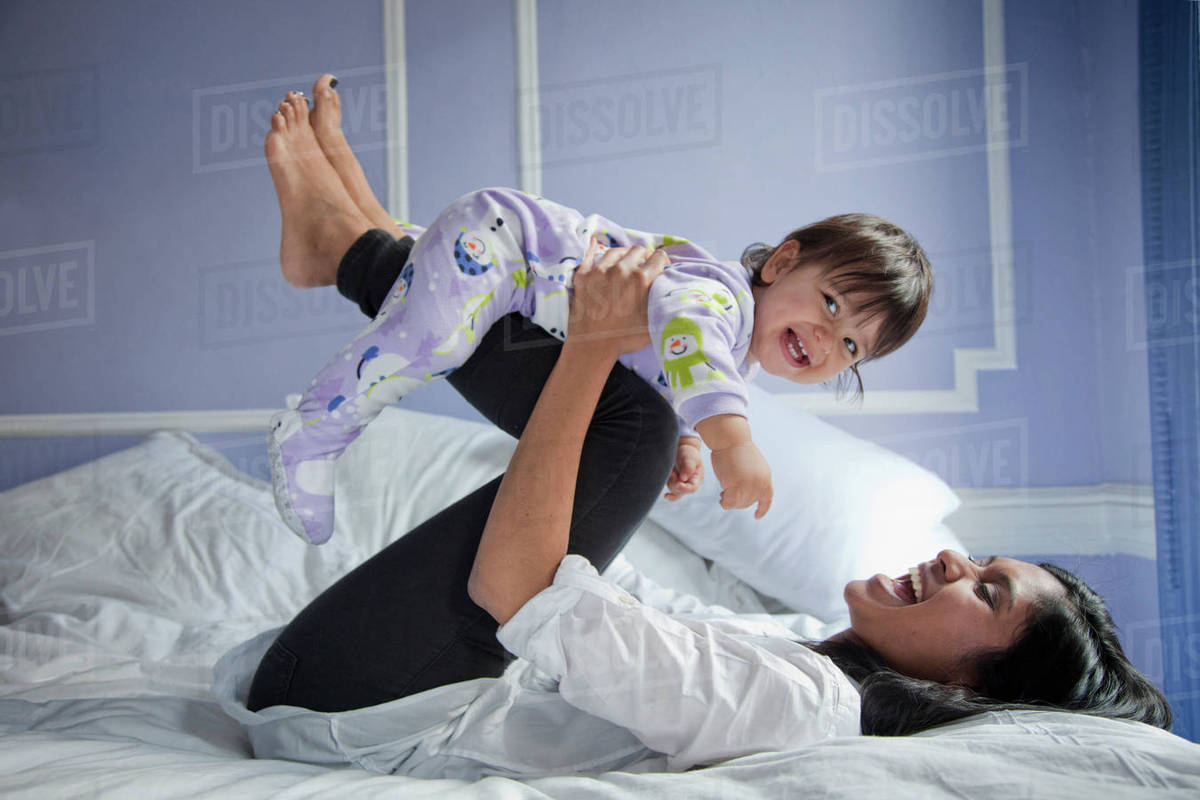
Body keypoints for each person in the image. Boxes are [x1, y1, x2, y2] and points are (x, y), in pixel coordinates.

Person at [246, 78, 1171, 772]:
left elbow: (520, 596)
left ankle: (358, 252)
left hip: (358, 699)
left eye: (988, 593)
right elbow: (653, 623)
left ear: (971, 688)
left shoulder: (806, 704)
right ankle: (365, 243)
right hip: (372, 676)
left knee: (636, 426)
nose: (953, 560)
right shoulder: (811, 654)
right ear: (789, 261)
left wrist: (602, 358)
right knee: (644, 421)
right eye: (983, 561)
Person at [264, 81, 934, 546]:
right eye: (830, 304)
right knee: (429, 342)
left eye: (850, 348)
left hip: (507, 262)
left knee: (416, 281)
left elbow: (674, 374)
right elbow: (683, 329)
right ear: (783, 263)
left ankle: (345, 196)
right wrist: (733, 442)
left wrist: (690, 442)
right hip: (507, 247)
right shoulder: (721, 301)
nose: (826, 339)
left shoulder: (737, 354)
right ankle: (314, 430)